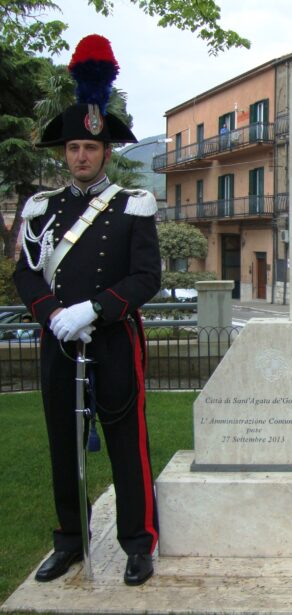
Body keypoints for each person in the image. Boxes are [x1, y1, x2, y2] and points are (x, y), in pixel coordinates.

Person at [13, 35, 160, 586]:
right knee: (62, 441)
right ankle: (70, 541)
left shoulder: (132, 205)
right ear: (64, 153)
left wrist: (94, 311)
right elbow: (24, 272)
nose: (81, 156)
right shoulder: (40, 209)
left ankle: (138, 543)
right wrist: (53, 312)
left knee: (128, 442)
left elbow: (147, 277)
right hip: (58, 338)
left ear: (105, 152)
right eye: (73, 148)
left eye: (91, 149)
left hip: (114, 336)